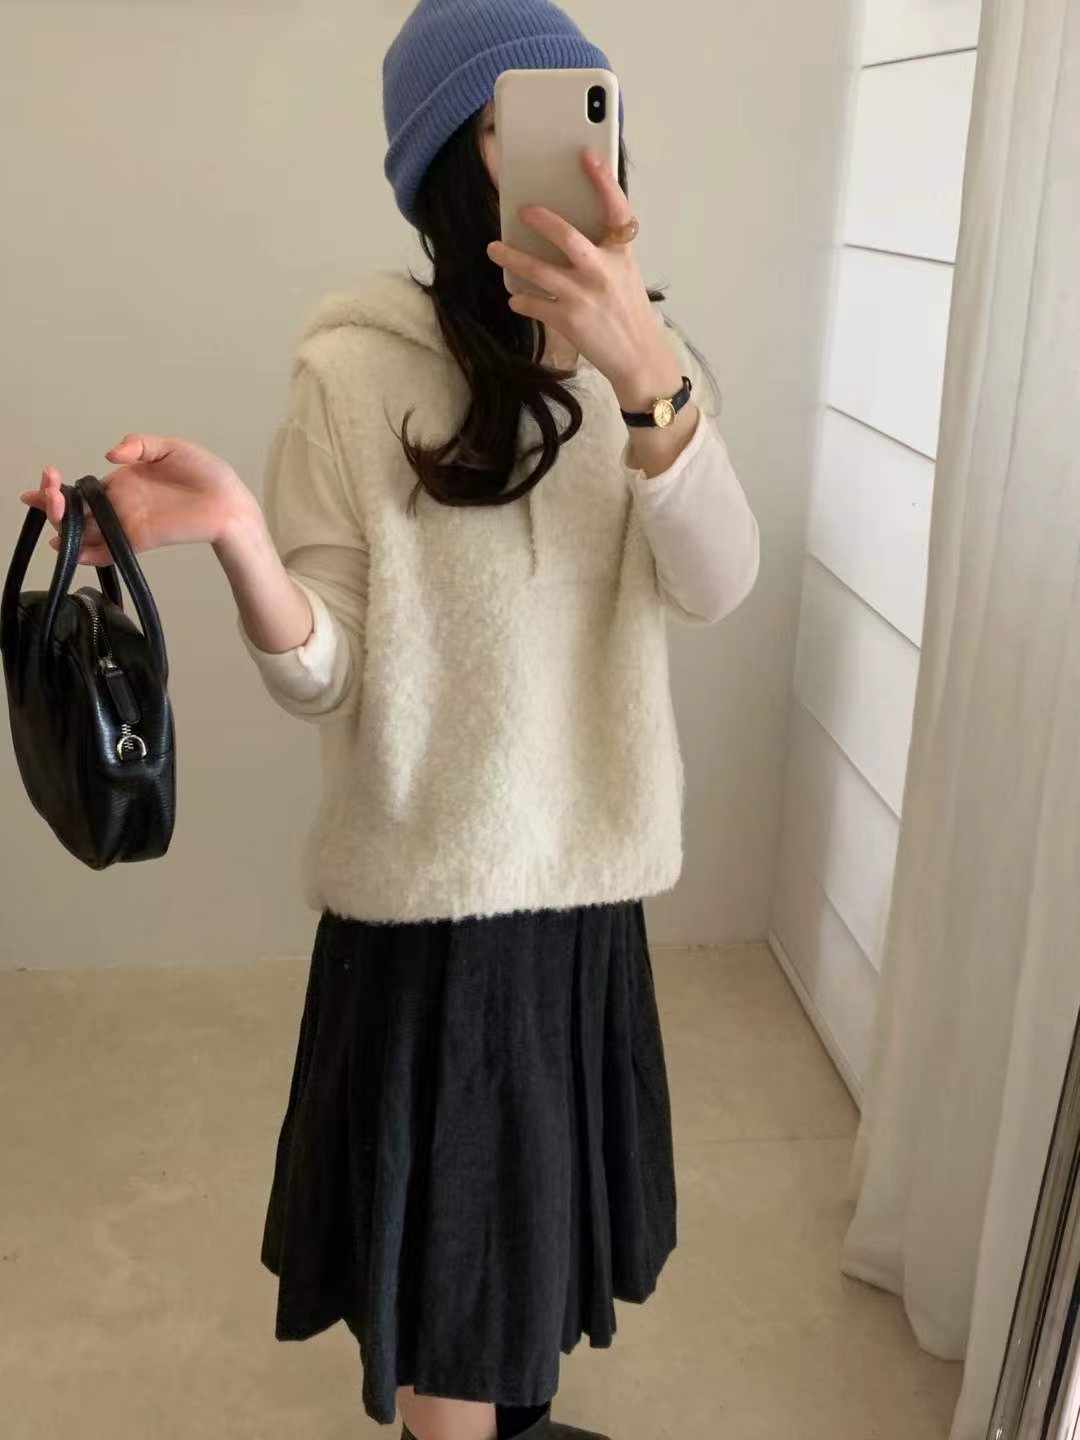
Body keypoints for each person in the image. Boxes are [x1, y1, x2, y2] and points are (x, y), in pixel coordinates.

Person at [20, 2, 760, 1436]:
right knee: (450, 1277)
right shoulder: (350, 375)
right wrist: (243, 539)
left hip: (585, 885)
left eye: (589, 112)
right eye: (510, 122)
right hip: (431, 907)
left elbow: (716, 584)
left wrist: (642, 378)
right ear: (442, 165)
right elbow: (330, 675)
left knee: (525, 1247)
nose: (569, 156)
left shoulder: (649, 364)